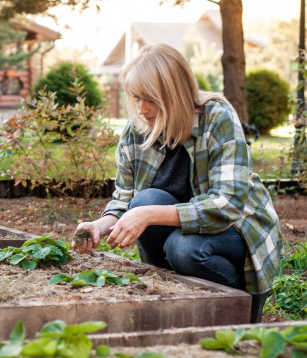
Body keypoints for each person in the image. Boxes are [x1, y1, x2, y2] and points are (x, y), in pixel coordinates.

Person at [73, 43, 282, 323]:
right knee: (145, 200)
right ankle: (175, 299)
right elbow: (125, 200)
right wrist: (99, 225)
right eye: (136, 97)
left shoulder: (216, 116)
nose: (142, 108)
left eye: (150, 98)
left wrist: (148, 215)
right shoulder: (137, 130)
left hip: (237, 227)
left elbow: (227, 204)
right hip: (183, 231)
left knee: (181, 247)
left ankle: (236, 307)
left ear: (173, 92)